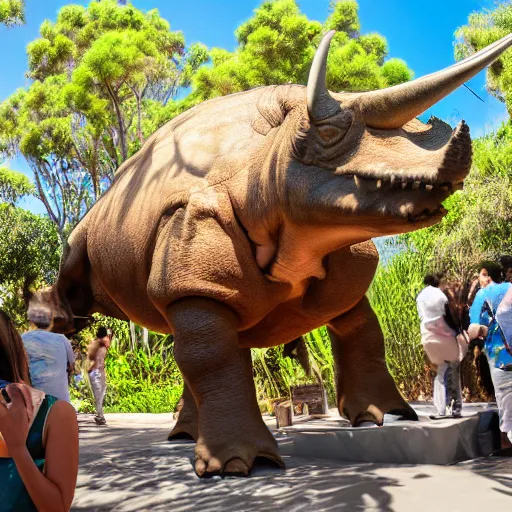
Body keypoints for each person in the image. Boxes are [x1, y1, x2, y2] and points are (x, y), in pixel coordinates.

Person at [0, 310, 78, 511]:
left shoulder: (27, 337)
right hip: (41, 404)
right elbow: (72, 367)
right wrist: (17, 448)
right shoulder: (61, 340)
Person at [469, 260, 512, 449]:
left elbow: (473, 330)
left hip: (500, 356)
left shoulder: (482, 294)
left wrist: (483, 331)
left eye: (481, 274)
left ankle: (505, 443)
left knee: (505, 399)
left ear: (486, 274)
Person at [416, 273, 467, 417]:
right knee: (454, 369)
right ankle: (456, 407)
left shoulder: (420, 296)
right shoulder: (441, 295)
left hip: (428, 337)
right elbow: (448, 317)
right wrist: (458, 331)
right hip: (445, 337)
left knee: (440, 372)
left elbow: (422, 316)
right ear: (438, 281)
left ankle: (440, 409)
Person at [21, 312, 75, 402]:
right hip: (60, 401)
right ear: (51, 322)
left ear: (32, 321)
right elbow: (71, 366)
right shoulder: (62, 339)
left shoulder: (21, 338)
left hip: (32, 401)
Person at [87, 327, 112, 426]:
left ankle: (99, 415)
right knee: (98, 394)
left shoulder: (103, 343)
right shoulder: (96, 344)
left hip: (100, 371)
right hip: (95, 371)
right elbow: (91, 357)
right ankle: (100, 416)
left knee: (101, 393)